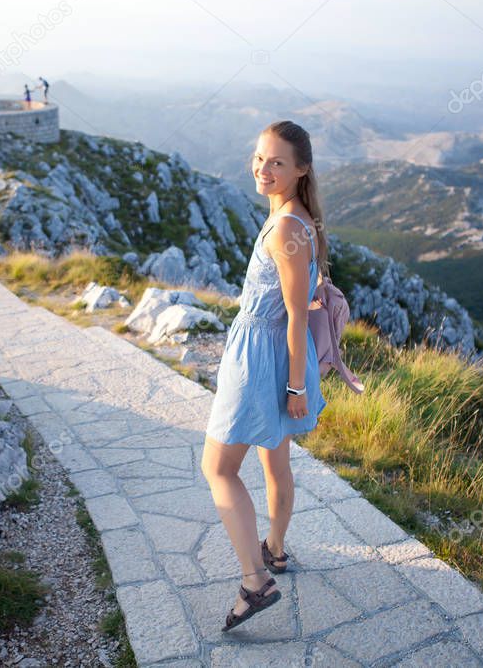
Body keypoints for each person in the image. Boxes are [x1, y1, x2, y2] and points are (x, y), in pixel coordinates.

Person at [201, 120, 330, 632]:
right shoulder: (296, 220)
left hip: (262, 360)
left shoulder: (285, 230)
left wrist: (295, 386)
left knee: (218, 469)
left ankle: (255, 582)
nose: (263, 168)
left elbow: (298, 315)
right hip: (271, 353)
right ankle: (274, 550)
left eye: (277, 161)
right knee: (275, 464)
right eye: (259, 157)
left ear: (301, 170)